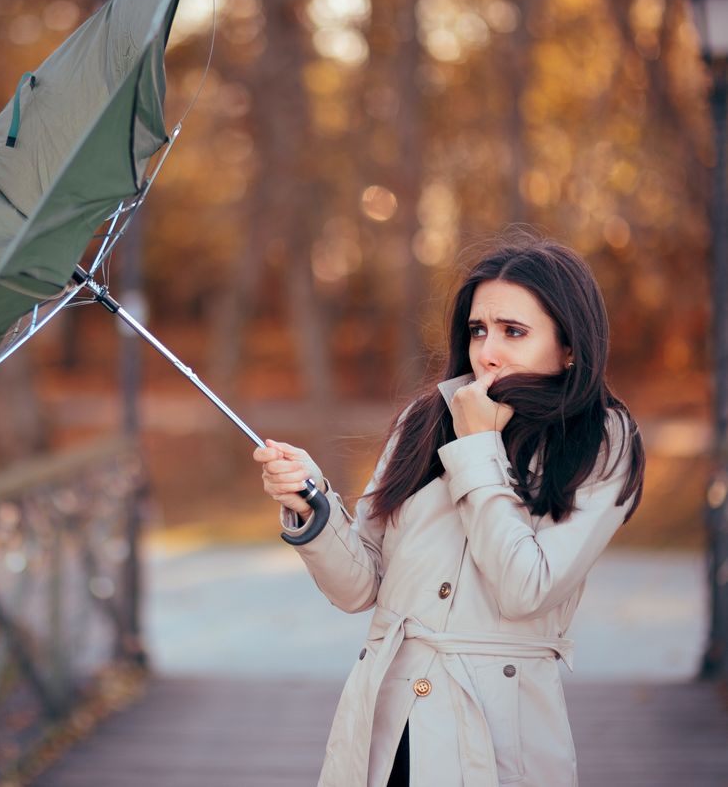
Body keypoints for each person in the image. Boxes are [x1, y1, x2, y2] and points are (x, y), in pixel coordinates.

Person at [253, 238, 645, 787]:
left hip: (498, 731)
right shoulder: (425, 416)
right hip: (389, 718)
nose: (488, 350)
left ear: (570, 346)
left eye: (514, 332)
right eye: (478, 329)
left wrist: (477, 447)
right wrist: (312, 503)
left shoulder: (601, 438)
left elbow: (525, 587)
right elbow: (359, 588)